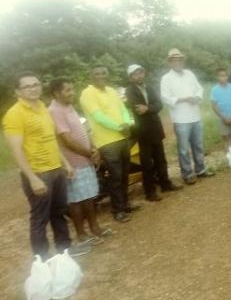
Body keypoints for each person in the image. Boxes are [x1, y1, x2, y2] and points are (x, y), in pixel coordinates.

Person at [3, 71, 90, 259]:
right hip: (38, 173)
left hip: (56, 170)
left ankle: (65, 249)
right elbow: (16, 151)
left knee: (58, 212)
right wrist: (32, 178)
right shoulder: (14, 115)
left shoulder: (42, 108)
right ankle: (42, 259)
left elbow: (51, 140)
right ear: (18, 91)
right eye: (27, 86)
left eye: (36, 84)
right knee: (39, 218)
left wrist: (65, 164)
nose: (33, 88)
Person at [49, 77, 110, 246]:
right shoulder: (54, 111)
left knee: (89, 196)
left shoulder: (68, 106)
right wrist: (89, 154)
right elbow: (67, 140)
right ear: (56, 93)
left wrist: (94, 149)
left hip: (85, 160)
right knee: (77, 200)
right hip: (73, 164)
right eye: (67, 90)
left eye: (72, 89)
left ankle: (95, 228)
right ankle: (81, 234)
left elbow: (82, 131)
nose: (72, 93)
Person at [80, 66, 139, 222]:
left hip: (122, 138)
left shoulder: (112, 91)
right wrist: (119, 128)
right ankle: (117, 210)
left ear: (108, 74)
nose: (101, 76)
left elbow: (123, 109)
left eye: (104, 73)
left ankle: (126, 204)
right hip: (106, 142)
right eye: (97, 73)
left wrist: (127, 123)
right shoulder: (87, 94)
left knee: (125, 173)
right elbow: (98, 116)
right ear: (91, 76)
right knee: (116, 176)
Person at [125, 64, 182, 202]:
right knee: (147, 164)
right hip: (143, 131)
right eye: (135, 74)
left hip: (156, 128)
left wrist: (148, 108)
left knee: (161, 160)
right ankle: (150, 192)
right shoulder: (129, 91)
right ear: (131, 77)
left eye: (140, 73)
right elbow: (138, 109)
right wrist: (152, 108)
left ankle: (165, 184)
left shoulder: (149, 87)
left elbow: (160, 105)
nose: (139, 76)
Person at [161, 48, 214, 185]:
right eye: (174, 60)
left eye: (180, 59)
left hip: (195, 115)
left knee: (198, 146)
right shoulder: (166, 78)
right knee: (183, 149)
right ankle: (187, 174)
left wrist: (196, 97)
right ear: (170, 62)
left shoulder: (189, 74)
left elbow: (199, 89)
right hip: (180, 118)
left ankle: (201, 170)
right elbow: (165, 97)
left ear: (182, 61)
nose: (177, 62)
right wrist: (183, 99)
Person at [211, 68, 231, 150]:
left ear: (227, 76)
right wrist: (223, 118)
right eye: (221, 76)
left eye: (225, 75)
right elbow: (214, 105)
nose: (223, 78)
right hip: (222, 117)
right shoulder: (214, 89)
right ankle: (228, 153)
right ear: (217, 77)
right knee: (226, 137)